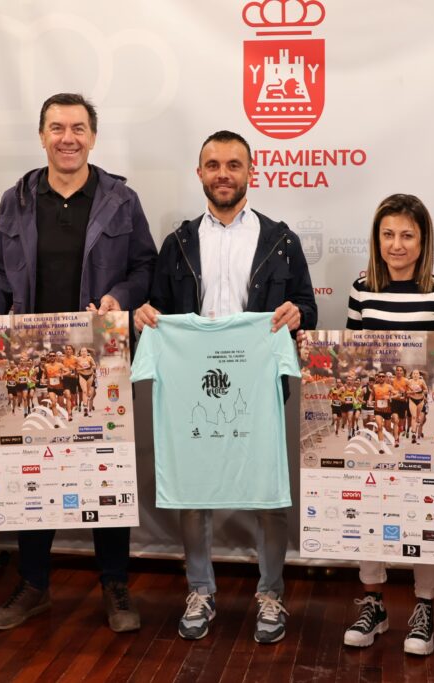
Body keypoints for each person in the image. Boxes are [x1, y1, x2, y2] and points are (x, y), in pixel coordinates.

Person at [0, 93, 157, 634]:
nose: (67, 138)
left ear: (92, 137)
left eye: (77, 128)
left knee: (105, 472)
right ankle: (34, 585)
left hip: (99, 361)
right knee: (35, 472)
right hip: (30, 359)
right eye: (56, 128)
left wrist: (120, 297)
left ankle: (115, 585)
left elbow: (145, 267)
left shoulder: (121, 199)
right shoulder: (17, 199)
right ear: (42, 136)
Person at [134, 129, 316, 644]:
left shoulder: (282, 240)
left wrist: (298, 313)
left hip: (256, 388)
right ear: (199, 174)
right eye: (213, 165)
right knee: (193, 491)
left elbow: (307, 305)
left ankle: (271, 593)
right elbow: (157, 309)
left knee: (269, 492)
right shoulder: (177, 243)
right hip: (192, 389)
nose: (223, 174)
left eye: (234, 164)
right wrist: (146, 316)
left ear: (251, 172)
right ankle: (200, 589)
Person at [341, 193, 434, 656]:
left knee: (425, 510)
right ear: (377, 239)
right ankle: (373, 604)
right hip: (375, 419)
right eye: (388, 234)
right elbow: (351, 356)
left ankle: (424, 608)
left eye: (407, 235)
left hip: (424, 423)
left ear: (423, 240)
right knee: (370, 507)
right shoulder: (361, 289)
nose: (397, 245)